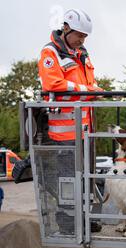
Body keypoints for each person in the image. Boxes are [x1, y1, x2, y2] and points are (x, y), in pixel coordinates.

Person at [38, 8, 102, 234]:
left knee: (85, 178)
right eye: (79, 36)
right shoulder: (50, 53)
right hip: (65, 133)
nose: (81, 40)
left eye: (84, 37)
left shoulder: (82, 53)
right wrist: (90, 90)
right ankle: (67, 221)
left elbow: (86, 86)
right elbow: (53, 85)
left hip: (86, 130)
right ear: (66, 28)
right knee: (68, 179)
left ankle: (84, 218)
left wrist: (96, 92)